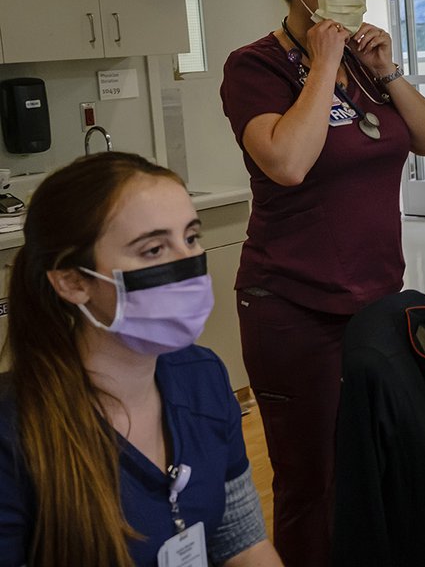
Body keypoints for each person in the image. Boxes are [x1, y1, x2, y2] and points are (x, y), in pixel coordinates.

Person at [219, 0, 425, 566]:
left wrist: (390, 71)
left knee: (382, 458)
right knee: (313, 477)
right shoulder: (256, 66)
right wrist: (321, 64)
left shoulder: (363, 63)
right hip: (294, 302)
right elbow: (287, 163)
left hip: (376, 299)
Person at [0, 152, 281, 567]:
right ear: (73, 281)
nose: (188, 264)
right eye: (153, 250)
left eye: (190, 237)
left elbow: (242, 543)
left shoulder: (202, 377)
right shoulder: (14, 431)